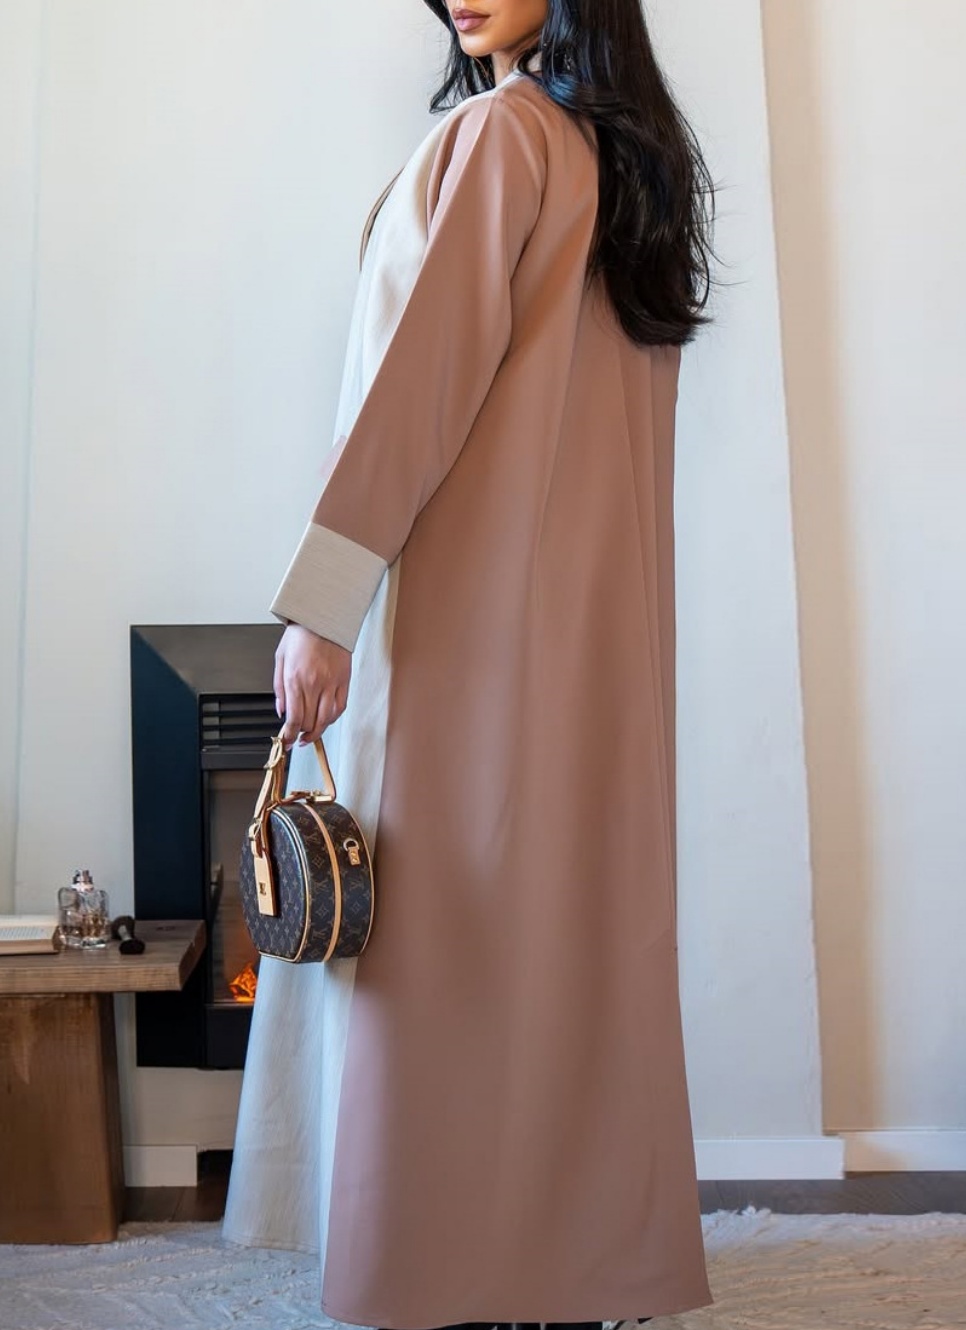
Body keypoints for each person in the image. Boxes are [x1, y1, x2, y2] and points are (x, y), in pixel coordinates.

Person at [222, 3, 716, 1328]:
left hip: (463, 628)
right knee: (563, 948)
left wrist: (324, 606)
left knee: (441, 959)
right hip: (597, 637)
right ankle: (569, 1269)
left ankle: (438, 1265)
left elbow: (414, 389)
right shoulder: (629, 164)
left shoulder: (504, 136)